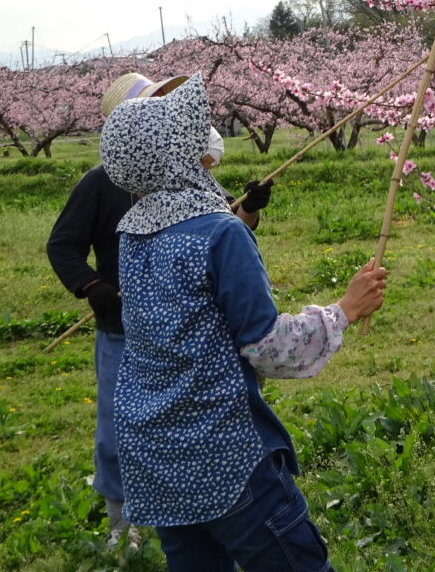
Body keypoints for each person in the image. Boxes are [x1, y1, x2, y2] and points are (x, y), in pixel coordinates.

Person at [98, 73, 387, 571]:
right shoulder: (219, 234)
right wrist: (345, 310)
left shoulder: (132, 233)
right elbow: (268, 348)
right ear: (176, 149)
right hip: (223, 451)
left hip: (156, 454)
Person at [45, 72, 273, 550]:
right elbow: (63, 244)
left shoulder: (184, 169)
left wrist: (248, 212)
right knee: (118, 429)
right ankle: (121, 525)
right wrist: (93, 286)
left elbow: (214, 235)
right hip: (122, 330)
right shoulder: (100, 183)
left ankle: (203, 503)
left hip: (188, 329)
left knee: (196, 417)